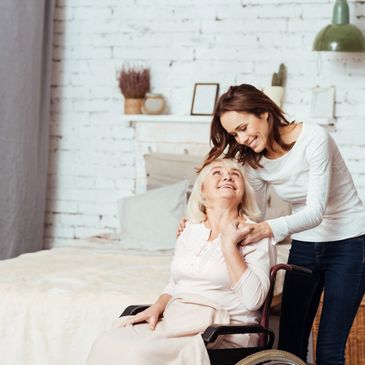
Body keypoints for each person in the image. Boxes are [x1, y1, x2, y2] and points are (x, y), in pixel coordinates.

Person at [201, 83, 365, 365]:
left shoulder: (314, 138)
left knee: (328, 350)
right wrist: (199, 220)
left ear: (264, 112)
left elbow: (315, 212)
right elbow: (250, 214)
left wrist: (266, 229)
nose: (241, 139)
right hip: (305, 245)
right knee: (288, 346)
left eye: (243, 127)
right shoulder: (255, 161)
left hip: (349, 244)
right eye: (234, 134)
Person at [87, 158, 275, 365]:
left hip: (223, 330)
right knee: (107, 342)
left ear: (243, 193)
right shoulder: (190, 231)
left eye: (235, 174)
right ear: (202, 191)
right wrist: (157, 307)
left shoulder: (256, 234)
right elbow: (176, 283)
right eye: (217, 173)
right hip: (178, 320)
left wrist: (229, 246)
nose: (227, 176)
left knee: (139, 355)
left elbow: (254, 299)